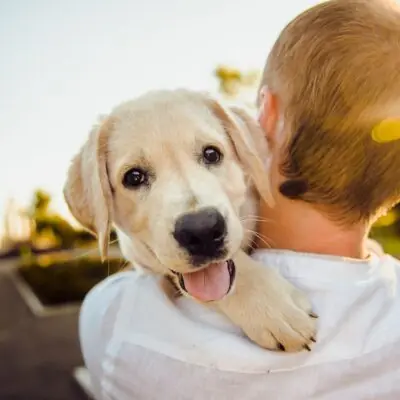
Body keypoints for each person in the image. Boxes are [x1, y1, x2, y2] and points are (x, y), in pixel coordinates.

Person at [79, 0, 400, 398]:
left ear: (262, 119)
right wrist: (240, 280)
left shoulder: (116, 323)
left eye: (210, 155)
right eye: (136, 176)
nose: (194, 215)